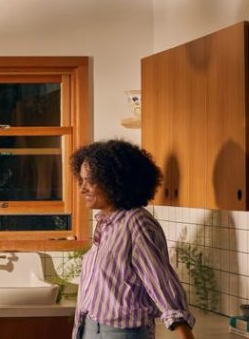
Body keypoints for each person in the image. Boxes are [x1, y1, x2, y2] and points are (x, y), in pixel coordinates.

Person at [72, 140, 195, 339]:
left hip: (121, 333)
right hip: (89, 330)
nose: (82, 189)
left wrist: (184, 332)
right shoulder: (106, 224)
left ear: (114, 181)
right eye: (81, 180)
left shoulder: (136, 223)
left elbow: (160, 281)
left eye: (90, 181)